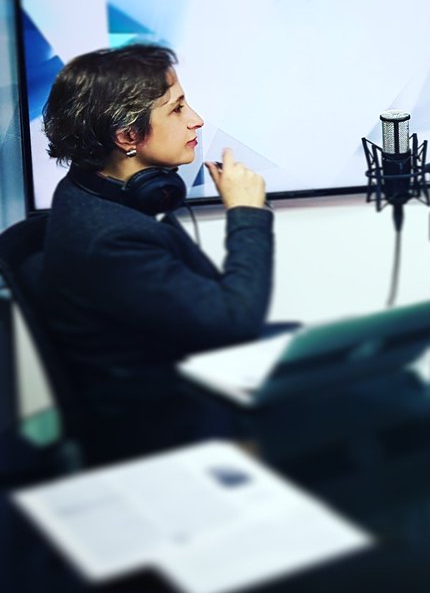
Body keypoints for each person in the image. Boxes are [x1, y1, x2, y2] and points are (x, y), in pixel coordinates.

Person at [35, 43, 276, 393]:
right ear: (128, 136)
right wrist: (247, 214)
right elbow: (235, 323)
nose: (196, 120)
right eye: (177, 109)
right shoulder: (111, 239)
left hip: (188, 373)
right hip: (173, 411)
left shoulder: (91, 189)